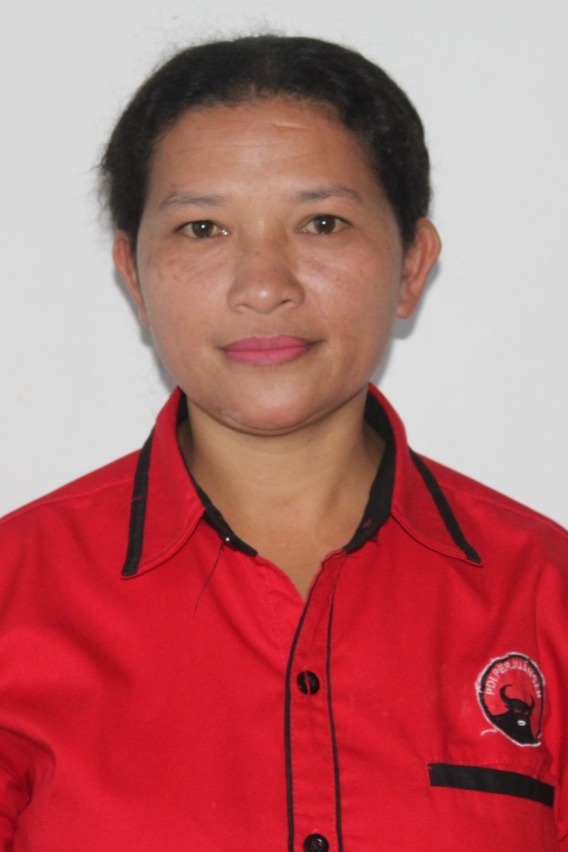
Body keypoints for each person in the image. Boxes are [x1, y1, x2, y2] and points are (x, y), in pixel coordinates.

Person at [0, 34, 566, 851]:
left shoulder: (545, 594)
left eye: (322, 222)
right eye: (202, 228)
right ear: (134, 275)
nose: (264, 286)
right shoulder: (16, 597)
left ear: (412, 263)